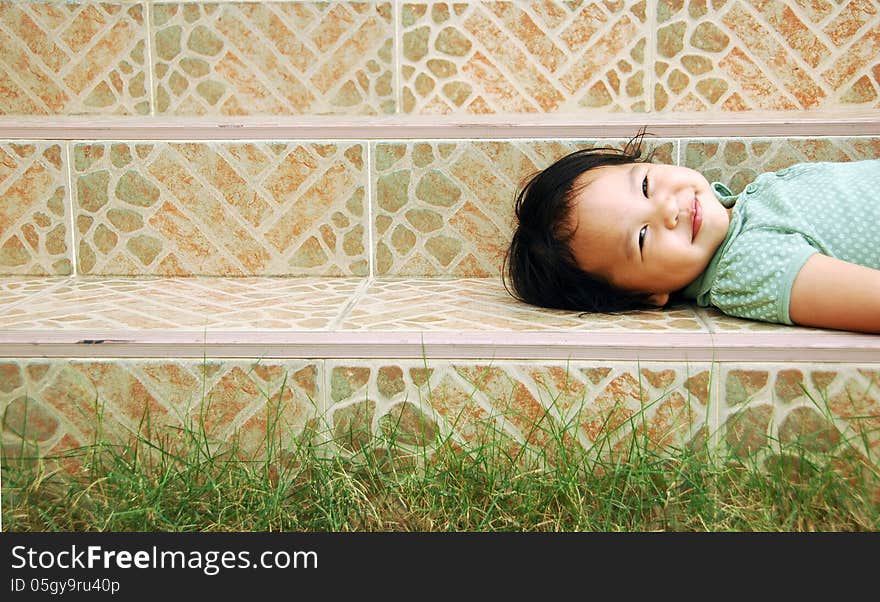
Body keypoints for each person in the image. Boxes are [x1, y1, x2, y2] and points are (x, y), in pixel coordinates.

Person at [503, 131, 880, 333]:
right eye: (642, 238)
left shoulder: (746, 209)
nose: (668, 209)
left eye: (647, 185)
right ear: (649, 295)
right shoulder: (746, 268)